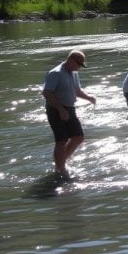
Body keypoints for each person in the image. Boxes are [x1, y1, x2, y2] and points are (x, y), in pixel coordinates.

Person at [41, 50, 96, 179]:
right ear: (70, 60)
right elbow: (47, 93)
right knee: (61, 140)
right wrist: (60, 109)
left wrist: (88, 97)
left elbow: (77, 90)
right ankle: (60, 168)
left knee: (78, 137)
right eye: (78, 64)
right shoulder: (55, 73)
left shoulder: (74, 72)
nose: (79, 68)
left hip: (70, 108)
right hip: (55, 109)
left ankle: (61, 161)